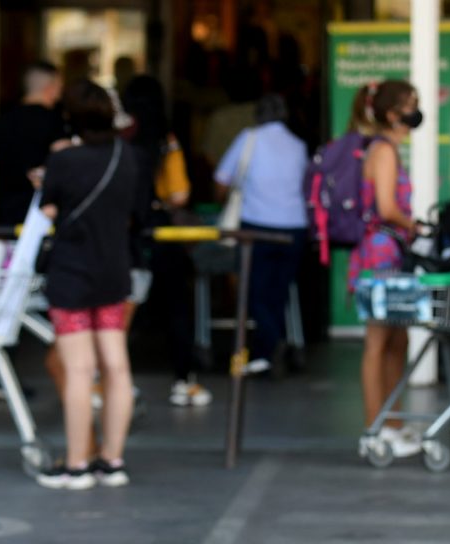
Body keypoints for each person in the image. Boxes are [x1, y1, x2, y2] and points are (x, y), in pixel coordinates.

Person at [35, 80, 137, 489]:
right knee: (117, 366)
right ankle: (112, 462)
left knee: (79, 370)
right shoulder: (128, 157)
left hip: (71, 273)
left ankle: (77, 464)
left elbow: (48, 208)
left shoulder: (64, 160)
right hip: (114, 270)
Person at [122, 74, 211, 407]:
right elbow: (180, 192)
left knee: (120, 311)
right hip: (161, 230)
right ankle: (182, 380)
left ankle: (109, 382)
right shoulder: (166, 139)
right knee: (176, 305)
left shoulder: (119, 137)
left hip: (124, 230)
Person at [348, 80, 423, 458]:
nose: (416, 112)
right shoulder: (384, 150)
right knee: (378, 340)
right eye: (411, 105)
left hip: (390, 251)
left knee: (398, 339)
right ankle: (375, 427)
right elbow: (386, 207)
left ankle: (392, 423)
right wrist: (413, 224)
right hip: (380, 252)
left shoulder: (385, 148)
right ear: (393, 113)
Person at [215, 94, 308, 376]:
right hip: (294, 227)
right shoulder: (298, 145)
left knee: (254, 292)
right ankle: (267, 351)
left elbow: (221, 181)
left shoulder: (249, 138)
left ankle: (269, 346)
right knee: (278, 293)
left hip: (257, 226)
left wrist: (224, 201)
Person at [0, 61, 65, 227]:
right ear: (51, 88)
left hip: (6, 220)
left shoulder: (0, 122)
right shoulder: (56, 123)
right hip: (46, 221)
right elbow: (65, 164)